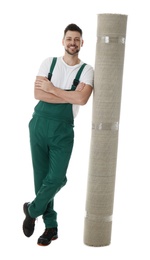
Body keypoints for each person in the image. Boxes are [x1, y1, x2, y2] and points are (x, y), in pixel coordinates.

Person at [22, 23, 94, 246]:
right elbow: (37, 94)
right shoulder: (49, 63)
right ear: (63, 41)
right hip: (39, 124)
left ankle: (32, 210)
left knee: (56, 178)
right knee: (42, 178)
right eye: (69, 38)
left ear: (82, 43)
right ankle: (51, 227)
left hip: (63, 130)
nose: (72, 43)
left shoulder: (87, 70)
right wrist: (70, 94)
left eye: (77, 39)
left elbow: (82, 100)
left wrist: (51, 89)